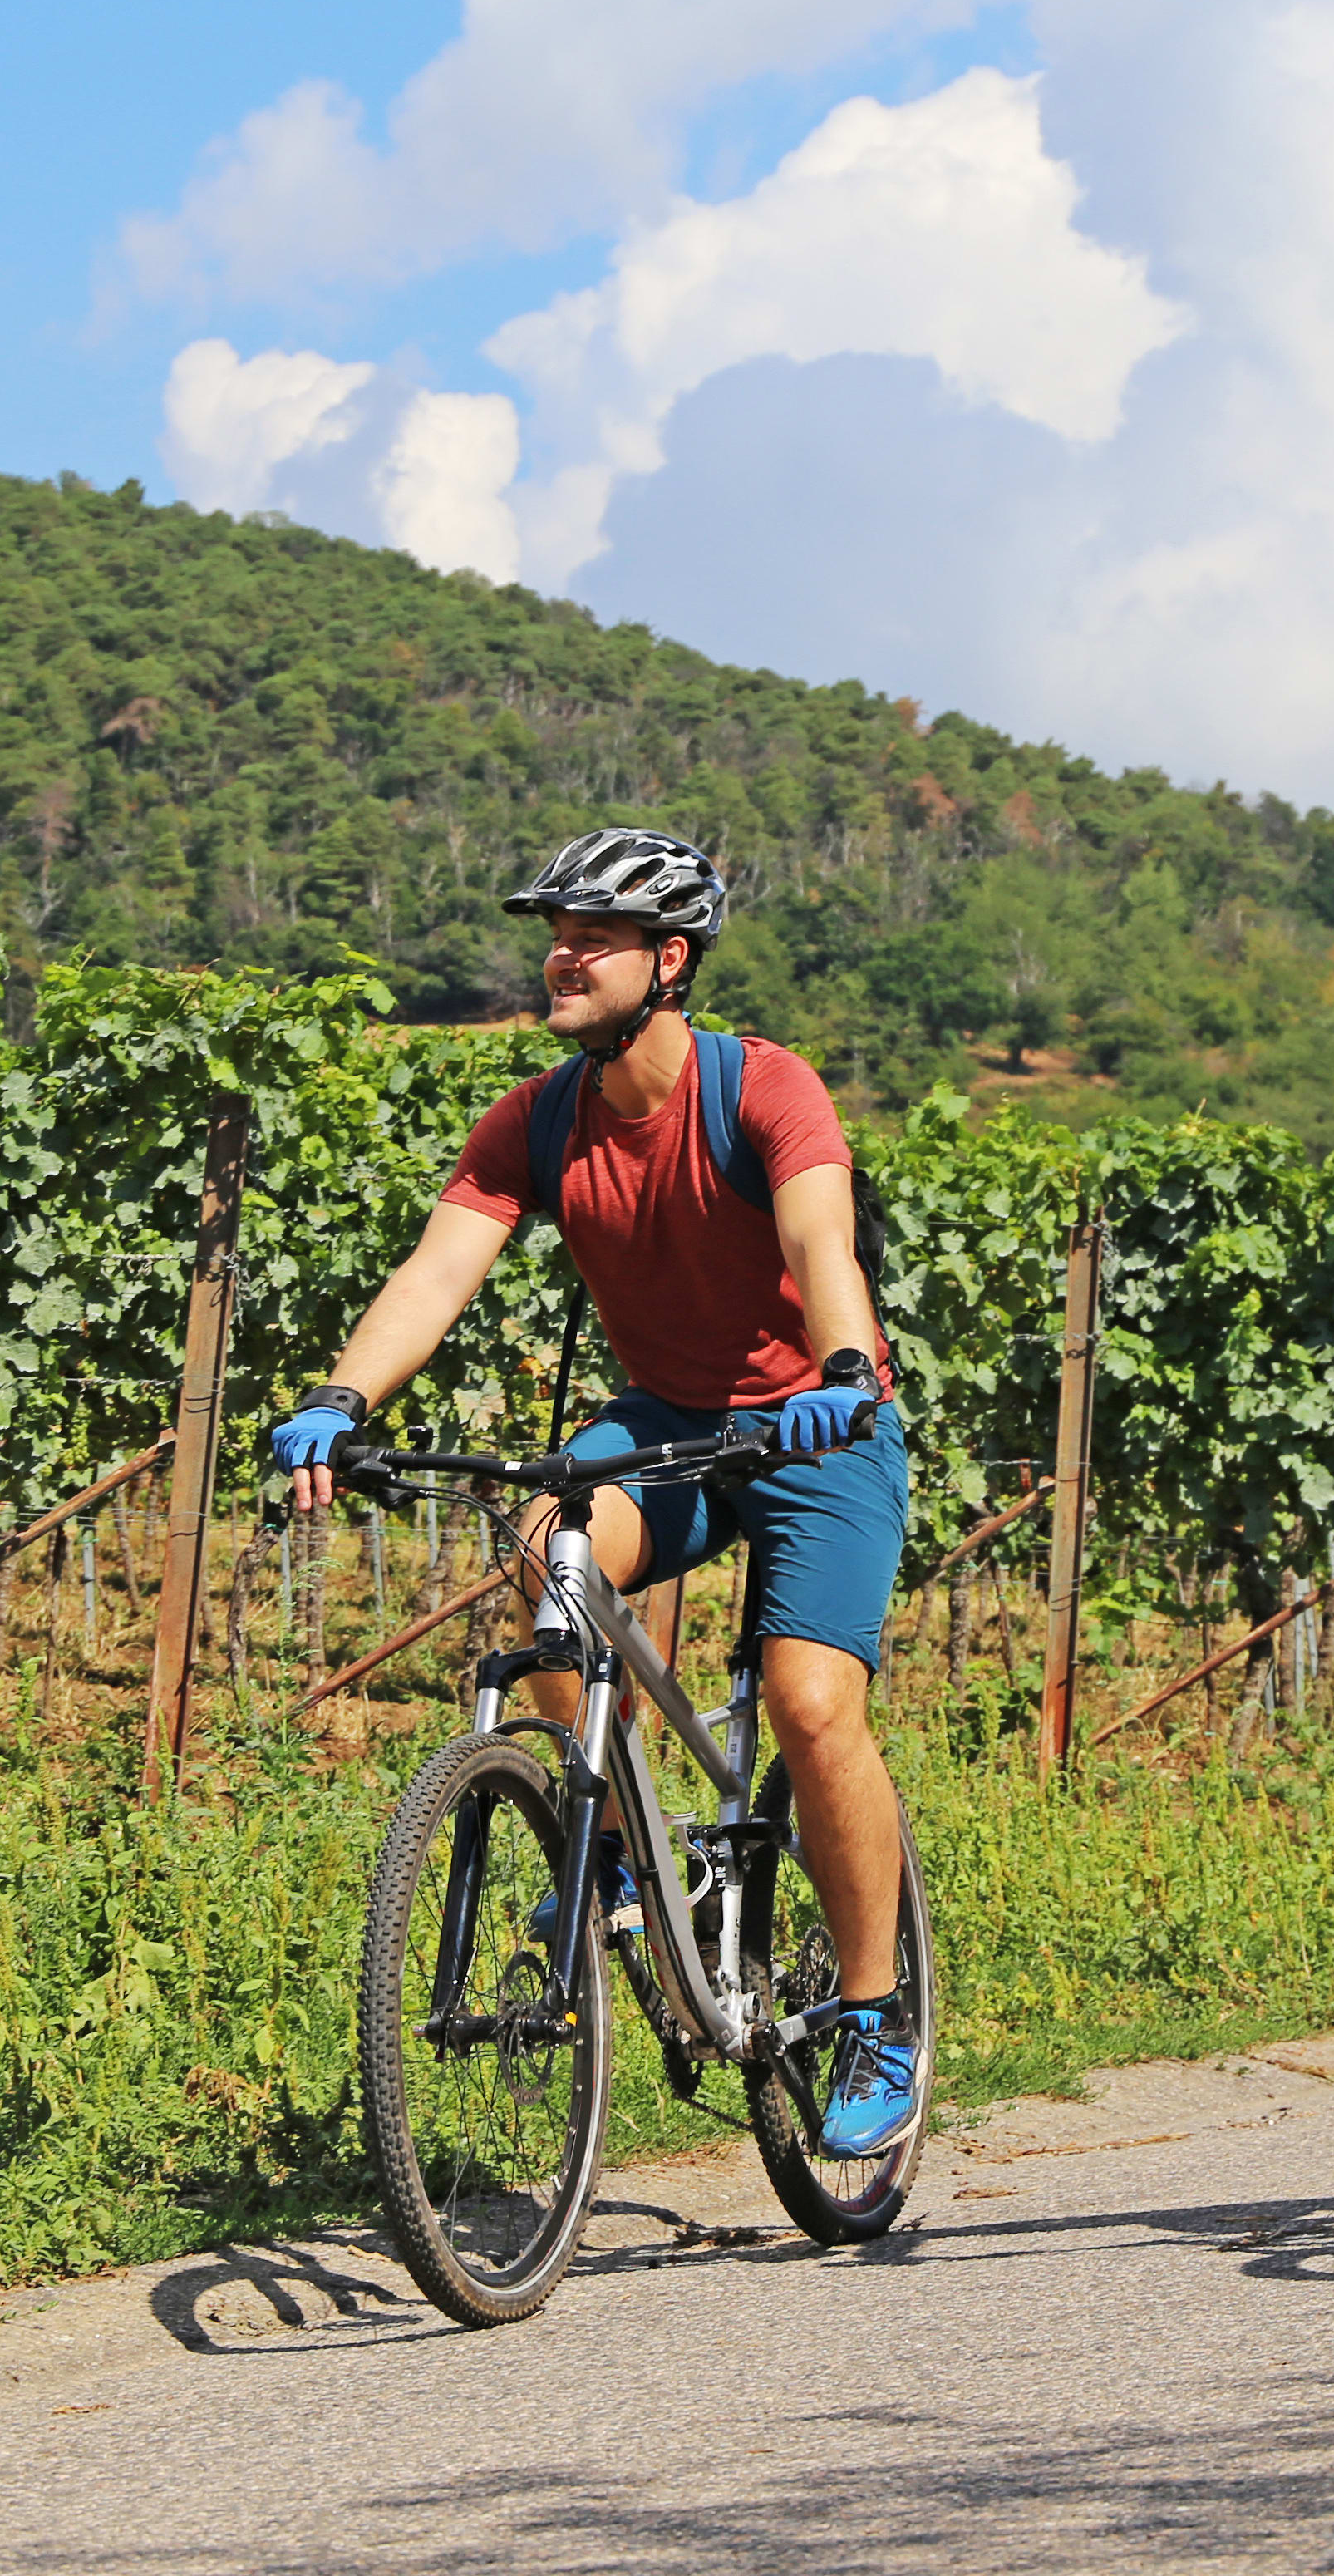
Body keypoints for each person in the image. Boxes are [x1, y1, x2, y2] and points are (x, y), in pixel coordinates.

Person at [268, 827, 923, 2153]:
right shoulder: (539, 1120)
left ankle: (874, 2013)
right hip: (672, 1422)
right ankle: (622, 1855)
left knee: (807, 1701)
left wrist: (845, 1366)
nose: (560, 956)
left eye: (594, 938)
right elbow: (437, 1273)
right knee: (543, 1548)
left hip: (817, 1428)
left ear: (669, 963)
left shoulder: (762, 1090)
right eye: (554, 933)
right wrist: (343, 1401)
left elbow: (819, 1234)